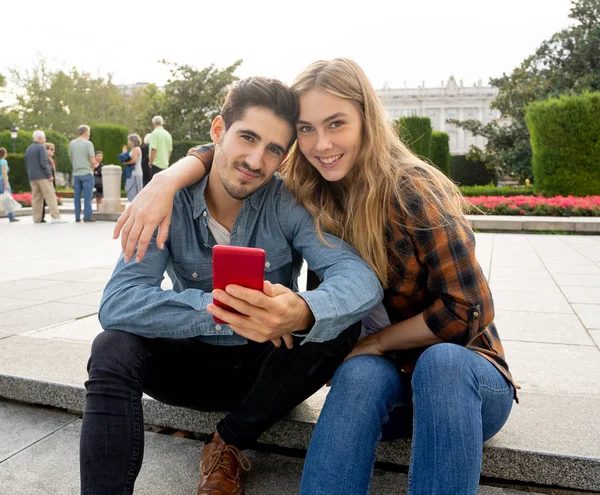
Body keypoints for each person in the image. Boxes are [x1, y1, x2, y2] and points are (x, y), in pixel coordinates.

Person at [114, 58, 518, 495]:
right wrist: (169, 179)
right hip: (384, 382)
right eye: (306, 129)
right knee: (359, 372)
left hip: (463, 385)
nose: (321, 143)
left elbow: (469, 309)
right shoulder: (313, 186)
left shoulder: (412, 189)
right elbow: (239, 152)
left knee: (433, 363)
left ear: (368, 119)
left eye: (336, 124)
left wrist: (374, 342)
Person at [80, 76, 382, 495]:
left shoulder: (286, 202)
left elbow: (360, 279)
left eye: (274, 149)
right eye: (248, 138)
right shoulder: (169, 203)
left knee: (337, 324)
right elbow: (117, 303)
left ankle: (229, 440)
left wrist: (299, 310)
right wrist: (224, 312)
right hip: (188, 366)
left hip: (268, 372)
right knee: (111, 346)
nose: (256, 160)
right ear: (218, 131)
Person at [24, 130, 65, 224]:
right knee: (50, 196)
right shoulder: (41, 148)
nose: (45, 139)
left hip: (32, 177)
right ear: (39, 138)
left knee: (36, 198)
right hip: (43, 177)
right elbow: (44, 162)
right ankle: (56, 217)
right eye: (44, 137)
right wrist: (49, 175)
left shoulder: (29, 149)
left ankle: (36, 218)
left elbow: (27, 163)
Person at [69, 125, 96, 222]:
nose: (89, 133)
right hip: (86, 172)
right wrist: (91, 169)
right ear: (85, 132)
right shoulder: (88, 144)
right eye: (88, 131)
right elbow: (92, 160)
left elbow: (71, 157)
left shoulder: (72, 143)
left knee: (77, 196)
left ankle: (77, 216)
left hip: (76, 173)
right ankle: (87, 216)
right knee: (87, 196)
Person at [121, 134, 143, 201]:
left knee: (134, 192)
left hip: (135, 173)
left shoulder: (136, 149)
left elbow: (133, 160)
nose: (128, 142)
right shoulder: (133, 149)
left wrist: (125, 162)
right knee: (130, 191)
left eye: (129, 140)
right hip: (132, 173)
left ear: (132, 141)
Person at [0, 147, 19, 222]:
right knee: (7, 200)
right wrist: (6, 183)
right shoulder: (3, 161)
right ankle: (11, 217)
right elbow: (4, 173)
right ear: (4, 154)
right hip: (2, 182)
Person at [41, 142, 57, 223]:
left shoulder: (50, 160)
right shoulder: (45, 159)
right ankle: (42, 217)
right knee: (44, 200)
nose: (53, 151)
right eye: (51, 149)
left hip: (51, 181)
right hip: (47, 181)